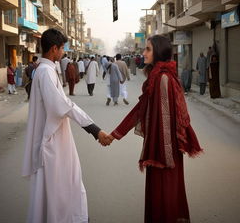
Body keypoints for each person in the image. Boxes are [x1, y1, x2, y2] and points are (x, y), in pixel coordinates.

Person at [104, 35, 203, 223]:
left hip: (165, 150)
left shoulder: (163, 78)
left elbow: (166, 118)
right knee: (163, 193)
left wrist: (164, 154)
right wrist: (116, 134)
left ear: (158, 51)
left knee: (164, 193)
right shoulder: (157, 76)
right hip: (160, 145)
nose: (144, 53)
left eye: (148, 49)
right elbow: (141, 109)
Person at [22, 28, 110, 223]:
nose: (63, 52)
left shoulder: (46, 70)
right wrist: (94, 130)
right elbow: (62, 105)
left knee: (64, 185)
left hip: (55, 140)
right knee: (61, 187)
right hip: (52, 144)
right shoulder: (45, 72)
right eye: (62, 48)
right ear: (54, 49)